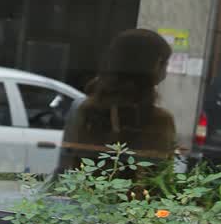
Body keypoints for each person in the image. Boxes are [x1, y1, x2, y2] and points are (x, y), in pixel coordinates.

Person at [55, 28, 177, 178]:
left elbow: (65, 168)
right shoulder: (161, 120)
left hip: (85, 191)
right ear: (157, 65)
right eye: (166, 64)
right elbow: (161, 176)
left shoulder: (83, 109)